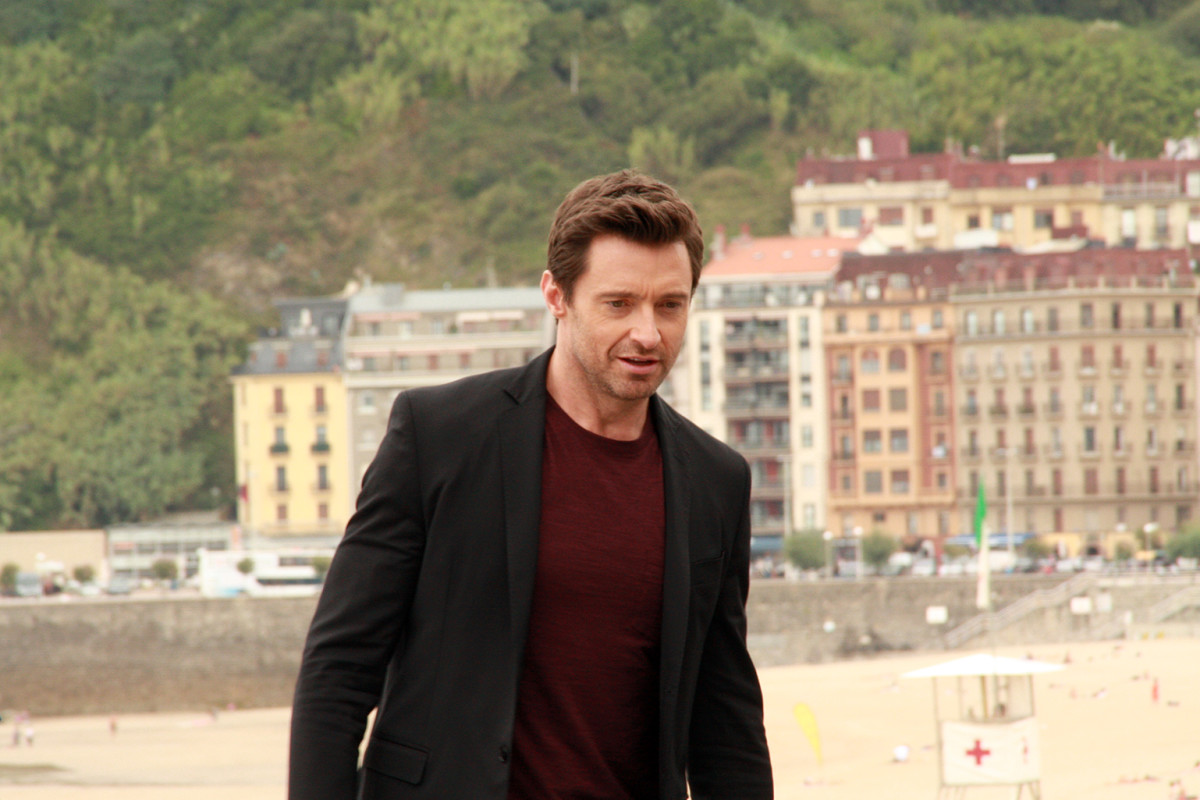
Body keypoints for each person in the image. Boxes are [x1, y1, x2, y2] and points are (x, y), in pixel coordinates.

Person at [288, 170, 773, 799]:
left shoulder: (716, 481)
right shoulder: (438, 436)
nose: (648, 333)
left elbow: (727, 723)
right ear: (556, 296)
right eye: (619, 303)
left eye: (669, 305)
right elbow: (338, 669)